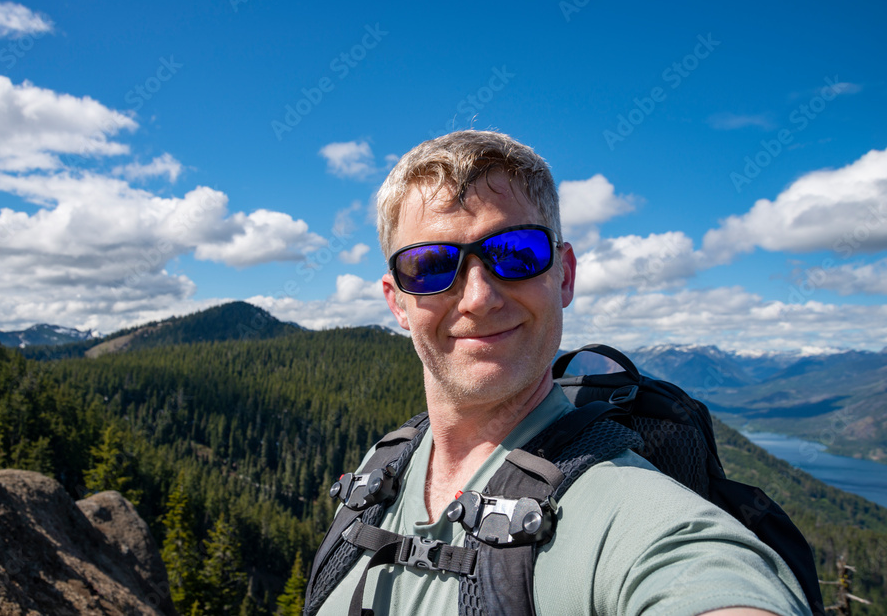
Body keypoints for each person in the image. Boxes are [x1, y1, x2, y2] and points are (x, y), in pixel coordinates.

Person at [310, 130, 810, 615]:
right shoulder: (380, 470)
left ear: (564, 276)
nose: (479, 297)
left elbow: (705, 576)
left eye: (515, 253)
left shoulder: (628, 512)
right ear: (397, 301)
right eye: (431, 265)